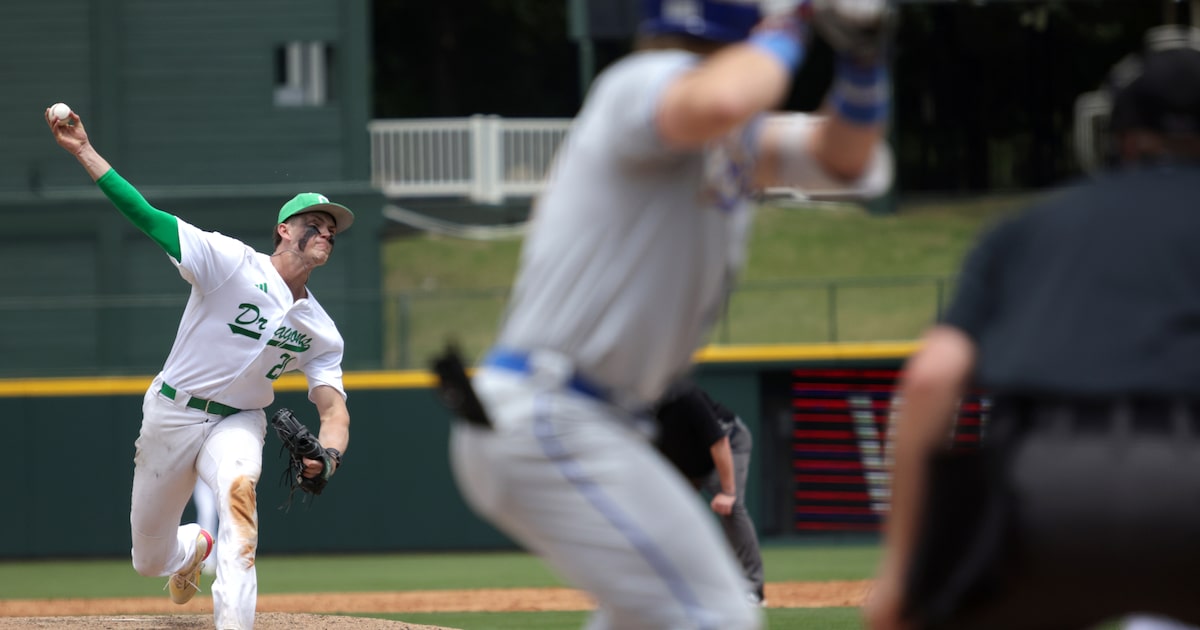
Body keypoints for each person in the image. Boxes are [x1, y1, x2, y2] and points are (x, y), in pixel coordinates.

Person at [442, 0, 894, 627]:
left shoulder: (731, 135)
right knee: (718, 615)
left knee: (653, 616)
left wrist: (862, 60)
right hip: (549, 409)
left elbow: (847, 157)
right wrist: (791, 25)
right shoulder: (637, 87)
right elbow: (718, 102)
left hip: (588, 421)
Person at [864, 24, 1200, 630]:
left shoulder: (1026, 229)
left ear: (1115, 135)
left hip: (1041, 497)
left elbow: (930, 382)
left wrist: (900, 578)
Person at [46, 107, 352, 630]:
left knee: (240, 505)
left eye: (331, 229)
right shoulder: (230, 262)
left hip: (238, 421)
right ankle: (193, 548)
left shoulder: (321, 330)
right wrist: (83, 151)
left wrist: (331, 454)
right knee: (149, 560)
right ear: (283, 229)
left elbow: (333, 407)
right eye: (314, 224)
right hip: (172, 413)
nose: (325, 232)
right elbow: (146, 216)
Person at [653, 381, 766, 606]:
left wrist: (728, 492)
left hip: (728, 446)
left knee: (732, 509)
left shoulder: (685, 396)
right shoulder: (634, 403)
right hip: (684, 461)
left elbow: (719, 441)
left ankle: (753, 587)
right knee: (662, 518)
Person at [192, 479, 219, 577]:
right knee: (207, 515)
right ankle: (206, 560)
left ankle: (217, 560)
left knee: (224, 517)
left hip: (221, 476)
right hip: (202, 480)